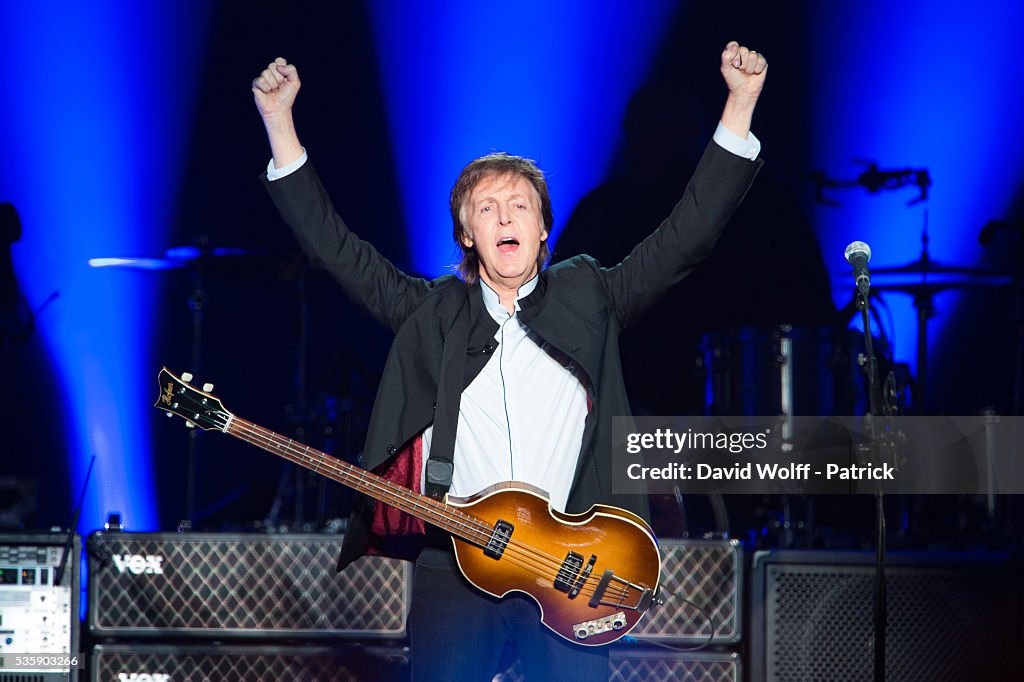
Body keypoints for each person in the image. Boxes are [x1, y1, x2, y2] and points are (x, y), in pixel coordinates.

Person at [252, 40, 766, 682]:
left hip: (573, 566)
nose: (505, 216)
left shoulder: (589, 295)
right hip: (457, 563)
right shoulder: (434, 312)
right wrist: (279, 123)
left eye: (519, 204)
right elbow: (338, 252)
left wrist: (740, 104)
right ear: (468, 234)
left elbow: (685, 236)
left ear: (543, 227)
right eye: (486, 208)